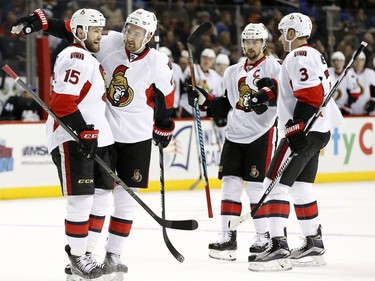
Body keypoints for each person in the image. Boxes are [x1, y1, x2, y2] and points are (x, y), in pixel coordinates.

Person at [11, 8, 175, 279]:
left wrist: (164, 125)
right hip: (104, 133)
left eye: (138, 33)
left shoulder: (158, 61)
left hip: (136, 137)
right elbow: (75, 28)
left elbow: (166, 97)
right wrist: (41, 22)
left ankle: (114, 254)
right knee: (96, 197)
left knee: (124, 202)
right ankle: (85, 254)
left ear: (150, 37)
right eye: (129, 30)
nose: (131, 37)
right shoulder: (107, 40)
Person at [13, 8, 114, 280]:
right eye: (95, 31)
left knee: (103, 197)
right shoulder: (75, 56)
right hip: (72, 138)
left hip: (96, 137)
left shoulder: (88, 54)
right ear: (80, 33)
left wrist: (46, 20)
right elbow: (61, 102)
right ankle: (78, 257)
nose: (99, 36)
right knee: (81, 200)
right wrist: (83, 130)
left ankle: (88, 253)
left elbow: (71, 25)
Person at [247, 12, 344, 272]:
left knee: (274, 183)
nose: (279, 37)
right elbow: (292, 89)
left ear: (292, 33)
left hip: (305, 130)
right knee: (301, 187)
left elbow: (310, 95)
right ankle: (313, 240)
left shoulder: (298, 55)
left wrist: (296, 125)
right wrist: (268, 92)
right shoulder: (311, 55)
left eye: (282, 32)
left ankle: (278, 246)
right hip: (319, 130)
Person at [188, 23, 280, 261]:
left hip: (261, 133)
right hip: (234, 134)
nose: (251, 46)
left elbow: (281, 95)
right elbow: (226, 103)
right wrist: (204, 99)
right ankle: (227, 236)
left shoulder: (274, 66)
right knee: (230, 184)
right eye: (247, 42)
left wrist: (268, 98)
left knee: (256, 186)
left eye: (255, 42)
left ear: (263, 43)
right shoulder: (232, 71)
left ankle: (264, 236)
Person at [180, 48, 223, 118]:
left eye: (210, 59)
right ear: (201, 58)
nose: (207, 61)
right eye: (205, 58)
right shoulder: (191, 68)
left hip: (203, 112)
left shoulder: (216, 76)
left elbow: (218, 96)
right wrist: (193, 82)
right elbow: (185, 85)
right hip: (188, 109)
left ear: (213, 62)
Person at [328, 51, 361, 115]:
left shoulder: (349, 74)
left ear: (343, 62)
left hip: (344, 109)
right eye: (334, 60)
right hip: (329, 107)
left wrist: (347, 105)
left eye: (339, 60)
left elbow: (355, 93)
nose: (336, 63)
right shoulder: (329, 71)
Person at [159, 46, 185, 118]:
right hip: (159, 106)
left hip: (174, 105)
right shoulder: (155, 69)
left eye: (168, 57)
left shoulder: (176, 68)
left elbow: (182, 86)